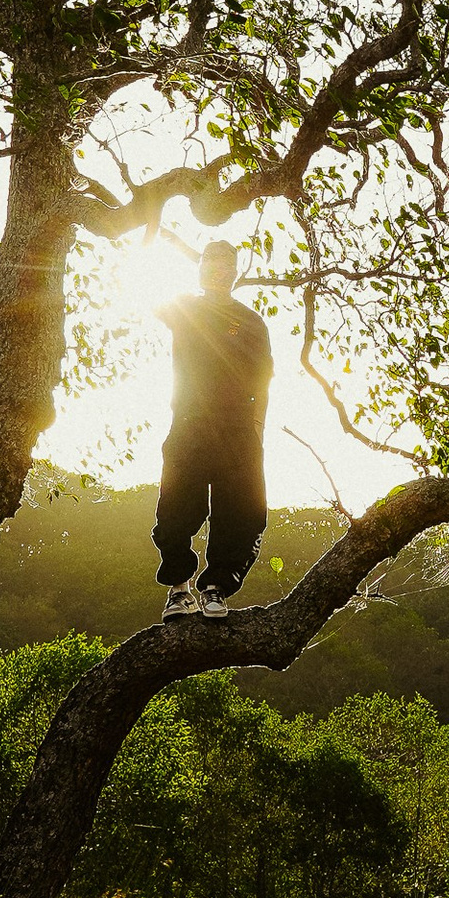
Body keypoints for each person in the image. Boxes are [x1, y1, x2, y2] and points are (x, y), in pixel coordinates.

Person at [153, 240, 272, 620]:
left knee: (244, 510)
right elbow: (151, 295)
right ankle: (179, 590)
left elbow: (262, 382)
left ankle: (216, 588)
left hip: (238, 426)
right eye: (211, 263)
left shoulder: (253, 323)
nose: (220, 271)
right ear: (202, 268)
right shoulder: (183, 308)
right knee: (175, 506)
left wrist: (257, 430)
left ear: (236, 273)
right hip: (189, 421)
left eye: (227, 265)